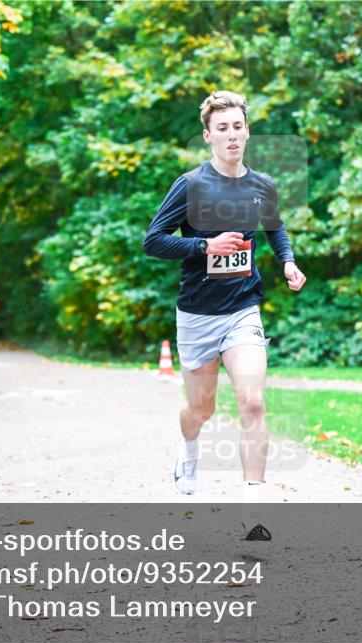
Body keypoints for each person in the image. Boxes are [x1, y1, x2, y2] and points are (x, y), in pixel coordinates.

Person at [143, 90, 307, 541]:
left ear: (247, 131)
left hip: (242, 309)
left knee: (253, 402)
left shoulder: (261, 186)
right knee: (202, 409)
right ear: (208, 136)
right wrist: (203, 246)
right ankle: (188, 449)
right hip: (196, 314)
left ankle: (253, 515)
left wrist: (288, 262)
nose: (231, 135)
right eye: (222, 128)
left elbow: (275, 229)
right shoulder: (191, 185)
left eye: (238, 127)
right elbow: (153, 241)